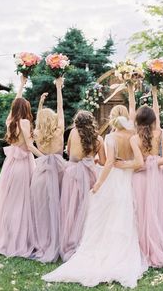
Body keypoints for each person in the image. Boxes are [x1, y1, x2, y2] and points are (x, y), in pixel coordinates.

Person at [42, 106, 147, 288]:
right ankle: (122, 248)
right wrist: (122, 166)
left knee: (102, 213)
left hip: (110, 176)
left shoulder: (108, 137)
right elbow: (135, 162)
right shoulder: (132, 136)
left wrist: (100, 182)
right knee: (124, 213)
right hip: (129, 179)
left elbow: (108, 163)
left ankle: (79, 242)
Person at [115, 90, 163, 268]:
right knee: (155, 212)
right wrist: (152, 161)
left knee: (139, 214)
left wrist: (123, 165)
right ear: (153, 119)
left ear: (138, 120)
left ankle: (141, 249)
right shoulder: (162, 134)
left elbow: (137, 163)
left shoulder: (135, 138)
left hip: (140, 178)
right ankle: (153, 247)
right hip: (156, 178)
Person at [0, 75, 43, 258]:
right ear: (25, 108)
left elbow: (14, 105)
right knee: (22, 204)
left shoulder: (11, 121)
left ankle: (7, 237)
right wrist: (47, 158)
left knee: (9, 203)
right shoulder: (24, 122)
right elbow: (31, 146)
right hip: (23, 166)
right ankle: (18, 240)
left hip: (10, 166)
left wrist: (21, 85)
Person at [59, 110, 105, 262]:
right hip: (88, 174)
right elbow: (104, 162)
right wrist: (94, 159)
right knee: (86, 208)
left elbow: (69, 152)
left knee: (70, 207)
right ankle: (85, 240)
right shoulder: (98, 139)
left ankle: (69, 239)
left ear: (77, 122)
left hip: (71, 173)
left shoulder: (72, 133)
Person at [30, 77, 66, 263]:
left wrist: (40, 104)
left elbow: (37, 122)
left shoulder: (37, 132)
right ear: (52, 119)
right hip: (60, 169)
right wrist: (58, 88)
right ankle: (61, 241)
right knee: (61, 206)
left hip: (42, 169)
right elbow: (60, 109)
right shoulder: (59, 130)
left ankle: (43, 241)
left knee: (42, 207)